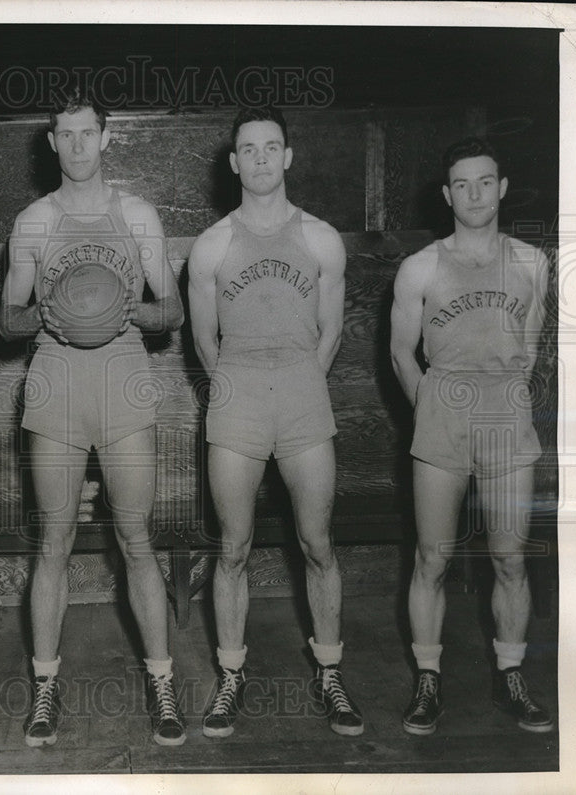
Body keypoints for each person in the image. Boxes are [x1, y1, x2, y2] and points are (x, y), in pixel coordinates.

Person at [0, 90, 186, 746]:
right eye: (64, 135)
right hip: (55, 383)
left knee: (137, 539)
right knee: (53, 541)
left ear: (107, 138)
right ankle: (45, 686)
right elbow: (5, 321)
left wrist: (126, 310)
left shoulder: (137, 215)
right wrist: (46, 317)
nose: (76, 146)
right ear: (51, 142)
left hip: (123, 381)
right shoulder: (33, 222)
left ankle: (162, 683)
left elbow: (174, 310)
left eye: (87, 134)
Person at [188, 106, 363, 738]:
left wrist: (294, 380)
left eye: (272, 147)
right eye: (248, 150)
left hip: (301, 394)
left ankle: (330, 669)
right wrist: (241, 385)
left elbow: (332, 331)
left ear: (288, 156)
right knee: (232, 547)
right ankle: (231, 674)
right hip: (236, 395)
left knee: (317, 542)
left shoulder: (321, 238)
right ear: (234, 163)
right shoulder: (212, 245)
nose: (260, 159)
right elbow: (204, 343)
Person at [390, 137, 553, 735]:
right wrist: (432, 407)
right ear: (446, 195)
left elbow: (531, 349)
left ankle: (511, 675)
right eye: (462, 184)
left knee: (510, 558)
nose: (475, 193)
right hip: (442, 415)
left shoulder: (533, 262)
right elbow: (401, 353)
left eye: (485, 181)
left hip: (506, 416)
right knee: (432, 557)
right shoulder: (421, 266)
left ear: (502, 187)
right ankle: (428, 679)